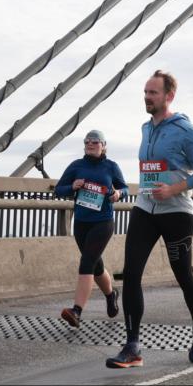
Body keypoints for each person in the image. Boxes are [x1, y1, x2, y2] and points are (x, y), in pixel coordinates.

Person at [106, 71, 193, 369]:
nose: (147, 97)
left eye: (153, 93)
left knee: (183, 275)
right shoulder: (145, 128)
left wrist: (173, 188)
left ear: (169, 96)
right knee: (131, 274)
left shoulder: (186, 131)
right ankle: (133, 346)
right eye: (145, 92)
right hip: (144, 209)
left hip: (177, 212)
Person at [55, 130, 127, 328]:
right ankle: (111, 294)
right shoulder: (76, 166)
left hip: (103, 222)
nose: (91, 144)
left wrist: (118, 194)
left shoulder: (111, 167)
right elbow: (58, 189)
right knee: (96, 266)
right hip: (81, 223)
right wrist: (73, 187)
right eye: (87, 141)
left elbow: (125, 189)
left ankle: (76, 311)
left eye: (95, 141)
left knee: (86, 262)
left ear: (103, 145)